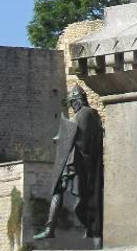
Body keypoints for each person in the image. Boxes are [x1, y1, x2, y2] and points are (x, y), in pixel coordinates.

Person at [34, 85, 103, 240]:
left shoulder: (82, 115)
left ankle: (50, 229)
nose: (72, 107)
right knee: (83, 198)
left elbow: (77, 141)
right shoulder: (95, 116)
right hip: (85, 163)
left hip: (76, 163)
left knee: (59, 190)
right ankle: (88, 230)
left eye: (72, 103)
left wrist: (63, 137)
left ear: (77, 101)